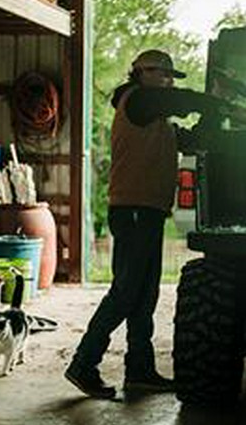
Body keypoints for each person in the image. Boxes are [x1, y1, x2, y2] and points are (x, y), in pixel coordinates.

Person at [64, 49, 206, 399]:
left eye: (171, 76)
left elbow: (192, 139)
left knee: (145, 294)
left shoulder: (158, 120)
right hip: (134, 211)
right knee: (126, 291)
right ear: (142, 72)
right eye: (165, 74)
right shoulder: (137, 102)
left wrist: (220, 118)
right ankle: (84, 363)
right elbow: (179, 100)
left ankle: (140, 370)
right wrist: (212, 100)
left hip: (149, 211)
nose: (169, 81)